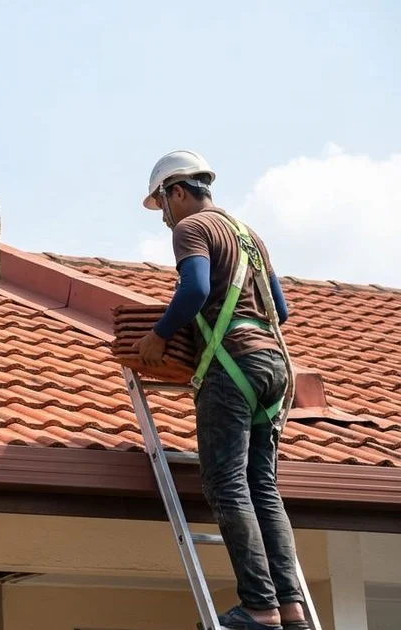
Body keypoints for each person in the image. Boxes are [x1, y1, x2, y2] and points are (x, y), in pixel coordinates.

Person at [135, 150, 309, 630]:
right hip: (274, 368)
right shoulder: (250, 236)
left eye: (163, 206)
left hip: (232, 366)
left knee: (227, 484)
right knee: (263, 488)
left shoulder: (193, 230)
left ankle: (259, 606)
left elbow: (192, 291)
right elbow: (282, 310)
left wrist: (160, 335)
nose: (165, 219)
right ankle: (290, 604)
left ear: (178, 191)